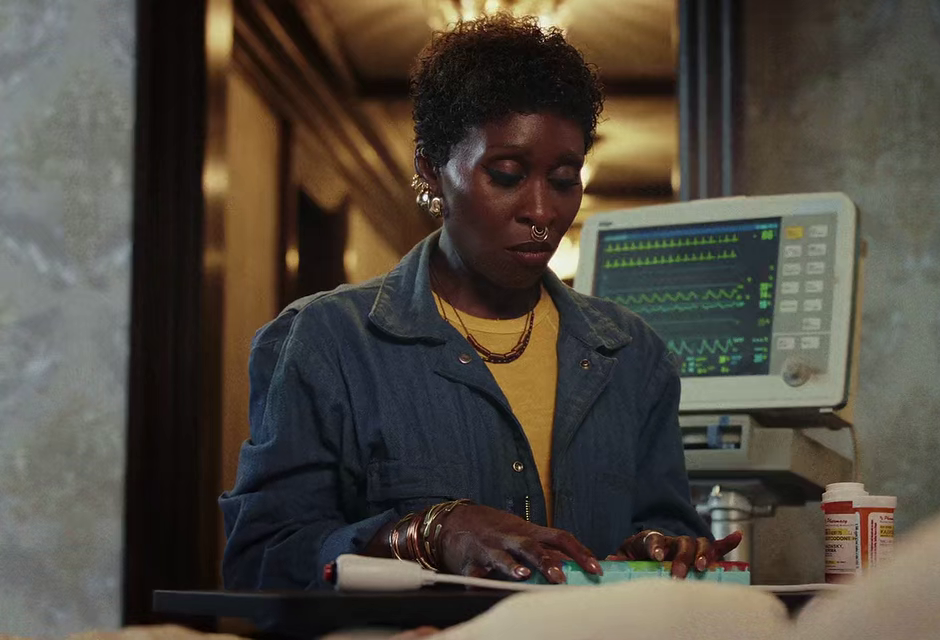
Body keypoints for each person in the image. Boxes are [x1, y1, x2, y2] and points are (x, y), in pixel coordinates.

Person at [220, 14, 740, 590]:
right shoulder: (328, 342)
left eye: (564, 179)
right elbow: (262, 561)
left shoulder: (632, 355)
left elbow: (662, 525)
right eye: (507, 175)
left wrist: (662, 550)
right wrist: (429, 533)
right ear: (431, 171)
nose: (541, 212)